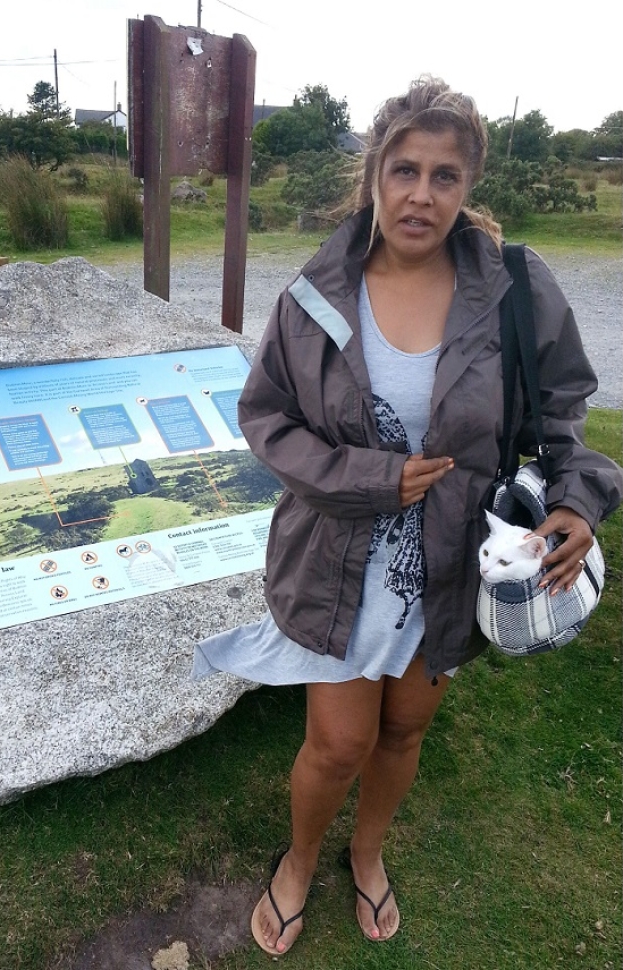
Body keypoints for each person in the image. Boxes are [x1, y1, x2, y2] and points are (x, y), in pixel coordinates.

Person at [192, 76, 622, 955]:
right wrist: (367, 476)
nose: (421, 195)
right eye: (404, 170)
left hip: (450, 564)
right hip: (335, 559)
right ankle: (300, 860)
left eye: (445, 176)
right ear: (375, 175)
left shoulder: (511, 288)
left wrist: (577, 498)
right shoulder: (313, 295)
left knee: (403, 728)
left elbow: (564, 411)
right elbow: (265, 419)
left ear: (467, 188)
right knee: (337, 742)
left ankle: (369, 850)